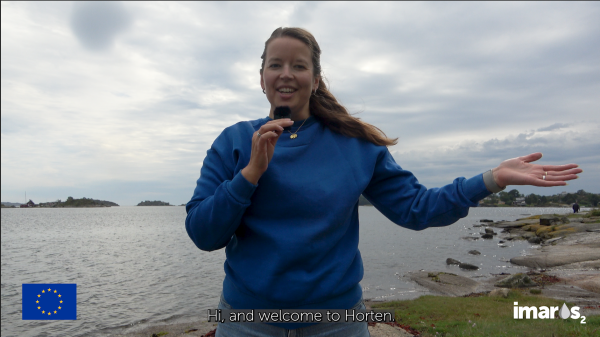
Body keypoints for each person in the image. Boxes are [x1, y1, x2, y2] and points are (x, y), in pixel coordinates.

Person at [185, 27, 582, 337]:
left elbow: (417, 208)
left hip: (336, 323)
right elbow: (204, 233)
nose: (286, 74)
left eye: (299, 65)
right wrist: (250, 174)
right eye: (275, 64)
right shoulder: (234, 142)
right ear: (262, 78)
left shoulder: (355, 145)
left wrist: (491, 179)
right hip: (246, 321)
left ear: (316, 79)